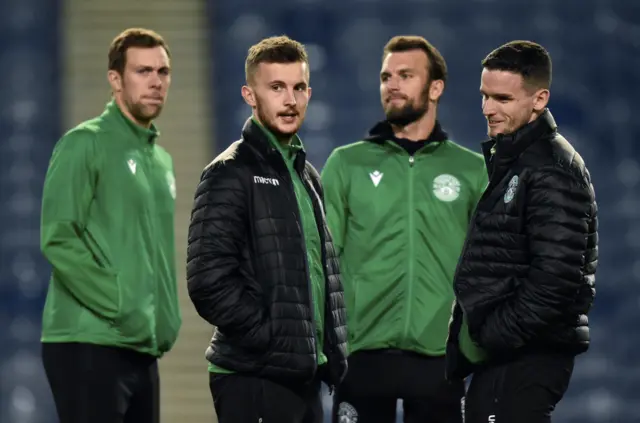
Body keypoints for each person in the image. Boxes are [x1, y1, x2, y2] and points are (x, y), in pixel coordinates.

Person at [321, 35, 488, 423]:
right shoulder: (346, 164)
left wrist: (470, 344)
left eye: (405, 75)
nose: (392, 84)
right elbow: (320, 259)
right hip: (360, 355)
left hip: (440, 359)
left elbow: (487, 265)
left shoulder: (472, 171)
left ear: (435, 88)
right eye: (386, 76)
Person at [186, 35, 348, 423]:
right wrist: (270, 336)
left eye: (298, 88)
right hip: (253, 377)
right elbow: (207, 281)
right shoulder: (229, 172)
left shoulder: (307, 175)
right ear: (249, 94)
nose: (290, 100)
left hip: (299, 375)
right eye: (276, 87)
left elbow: (318, 275)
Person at [445, 40, 598, 423]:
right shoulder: (516, 160)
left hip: (525, 353)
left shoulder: (551, 168)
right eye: (484, 96)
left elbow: (556, 279)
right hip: (509, 354)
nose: (487, 109)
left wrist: (495, 334)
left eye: (502, 98)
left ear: (539, 99)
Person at [39, 28, 182, 423]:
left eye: (163, 71)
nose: (156, 81)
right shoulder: (83, 144)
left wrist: (164, 318)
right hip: (87, 340)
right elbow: (59, 236)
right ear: (115, 79)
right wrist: (120, 301)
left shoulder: (161, 162)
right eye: (143, 71)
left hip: (142, 344)